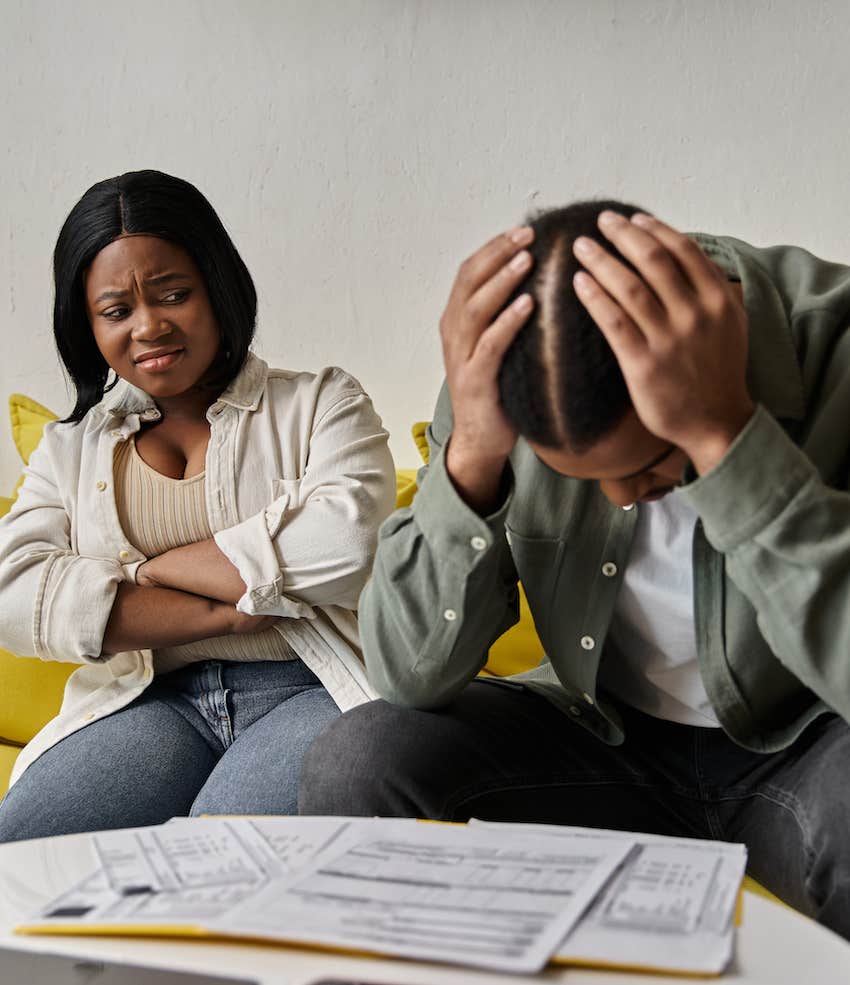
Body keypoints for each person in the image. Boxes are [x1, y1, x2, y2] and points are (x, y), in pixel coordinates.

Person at [299, 200, 850, 939]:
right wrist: (472, 455)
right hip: (603, 738)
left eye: (655, 467)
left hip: (804, 747)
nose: (622, 495)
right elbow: (407, 672)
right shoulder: (506, 378)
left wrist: (727, 439)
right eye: (583, 477)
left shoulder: (835, 345)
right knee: (357, 762)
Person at [0, 170, 395, 841]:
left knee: (217, 861)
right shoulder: (70, 449)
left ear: (217, 286)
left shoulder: (323, 402)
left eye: (173, 294)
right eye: (116, 311)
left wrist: (150, 574)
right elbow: (13, 591)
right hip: (147, 698)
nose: (150, 327)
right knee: (19, 858)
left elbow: (349, 542)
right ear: (87, 326)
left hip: (306, 688)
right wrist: (223, 609)